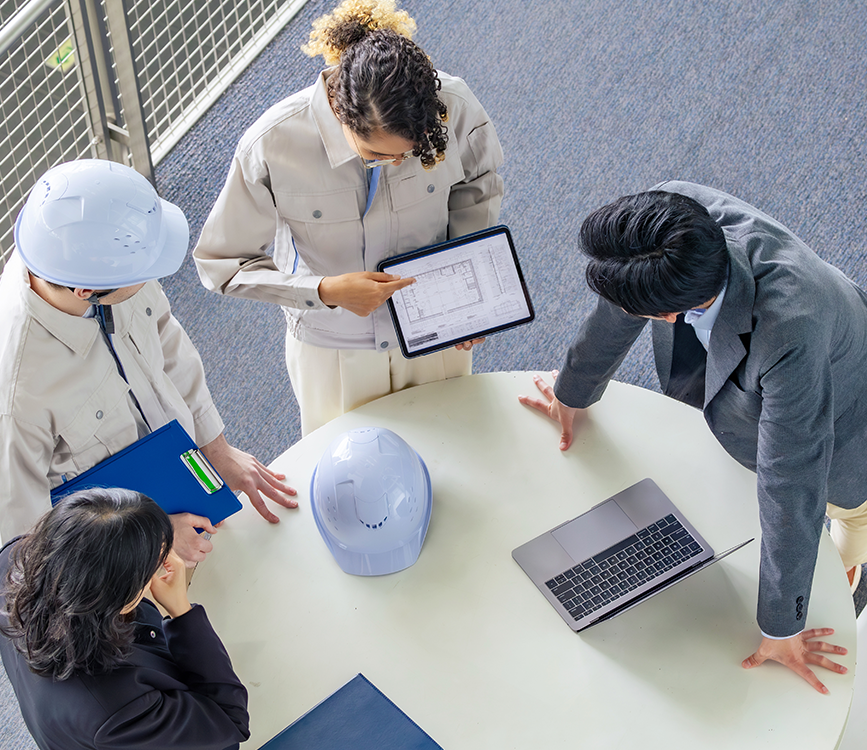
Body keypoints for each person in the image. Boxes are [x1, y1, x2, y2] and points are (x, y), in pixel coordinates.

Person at [519, 181, 865, 694]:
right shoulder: (667, 225)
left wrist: (781, 625)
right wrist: (573, 392)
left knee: (841, 544)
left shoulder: (789, 327)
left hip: (848, 434)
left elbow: (792, 479)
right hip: (771, 385)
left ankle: (847, 581)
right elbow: (619, 306)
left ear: (669, 312)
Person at [193, 0, 504, 435]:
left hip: (435, 333)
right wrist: (324, 290)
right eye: (377, 154)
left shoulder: (454, 105)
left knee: (457, 452)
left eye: (409, 154)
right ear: (342, 112)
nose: (396, 163)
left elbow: (478, 185)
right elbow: (221, 262)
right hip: (335, 351)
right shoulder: (271, 145)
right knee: (350, 489)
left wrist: (469, 300)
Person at [0, 159, 298, 561]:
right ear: (86, 290)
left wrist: (216, 447)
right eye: (143, 273)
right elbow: (26, 545)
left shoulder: (91, 258)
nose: (152, 277)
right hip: (114, 562)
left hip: (177, 486)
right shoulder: (17, 394)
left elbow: (168, 343)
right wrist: (151, 540)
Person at [0, 487, 249, 750]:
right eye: (156, 559)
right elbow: (230, 722)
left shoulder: (13, 561)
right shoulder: (118, 710)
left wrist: (145, 535)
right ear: (122, 597)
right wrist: (181, 610)